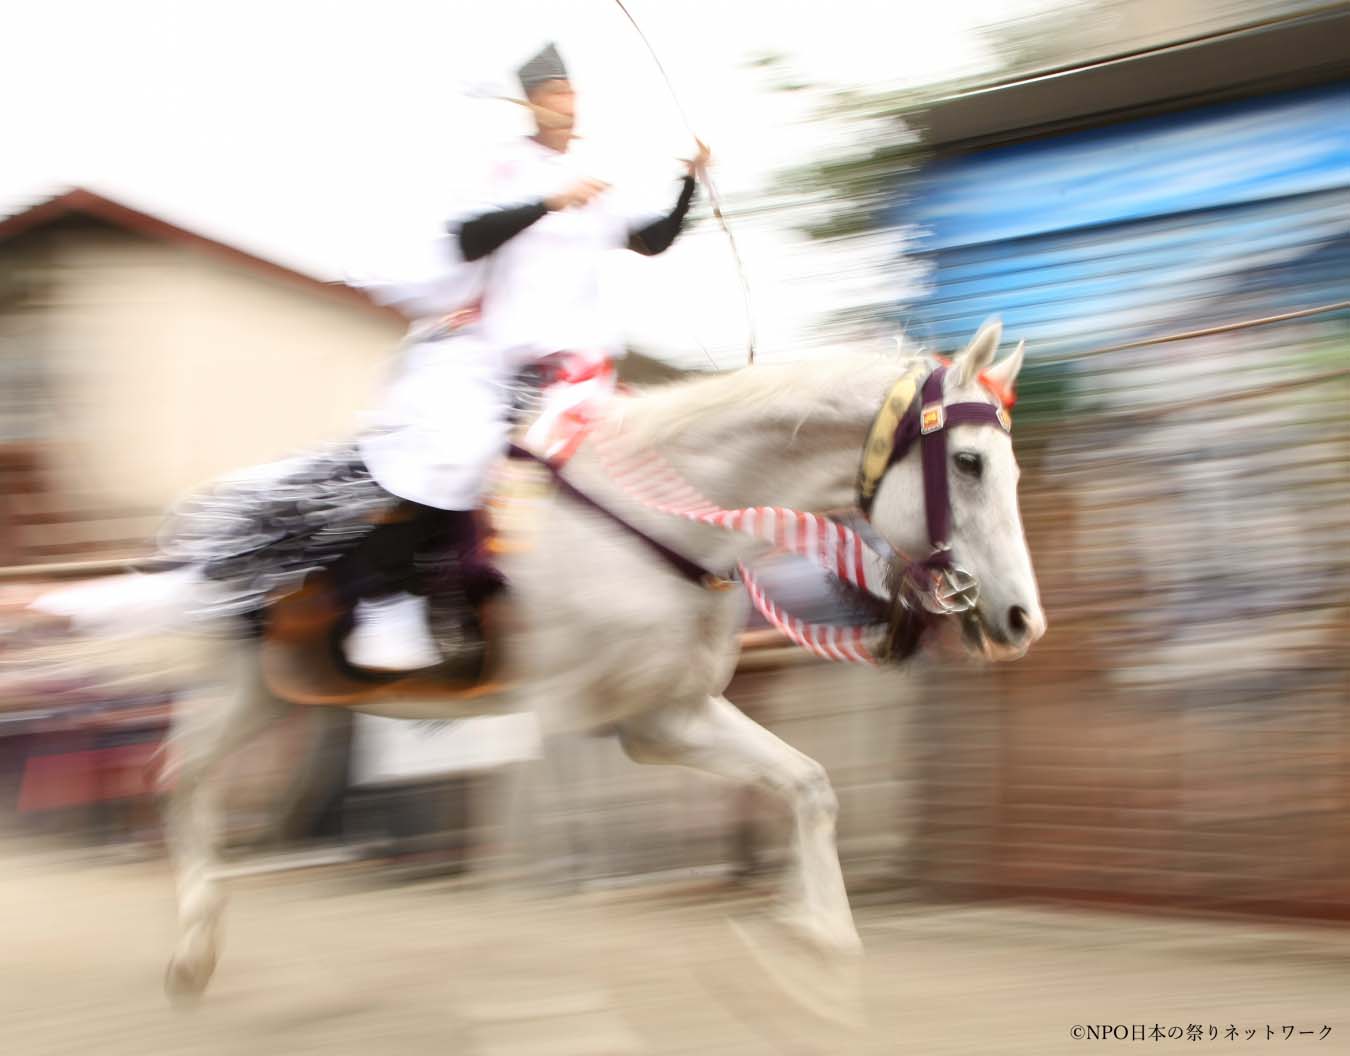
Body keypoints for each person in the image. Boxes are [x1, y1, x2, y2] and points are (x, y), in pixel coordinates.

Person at [345, 42, 710, 672]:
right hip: (495, 357)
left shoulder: (595, 173)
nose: (567, 105)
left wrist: (689, 185)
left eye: (572, 94)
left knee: (632, 467)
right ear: (532, 103)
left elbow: (652, 240)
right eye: (555, 94)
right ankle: (395, 602)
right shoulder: (502, 168)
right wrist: (549, 202)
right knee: (454, 458)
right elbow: (467, 237)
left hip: (580, 366)